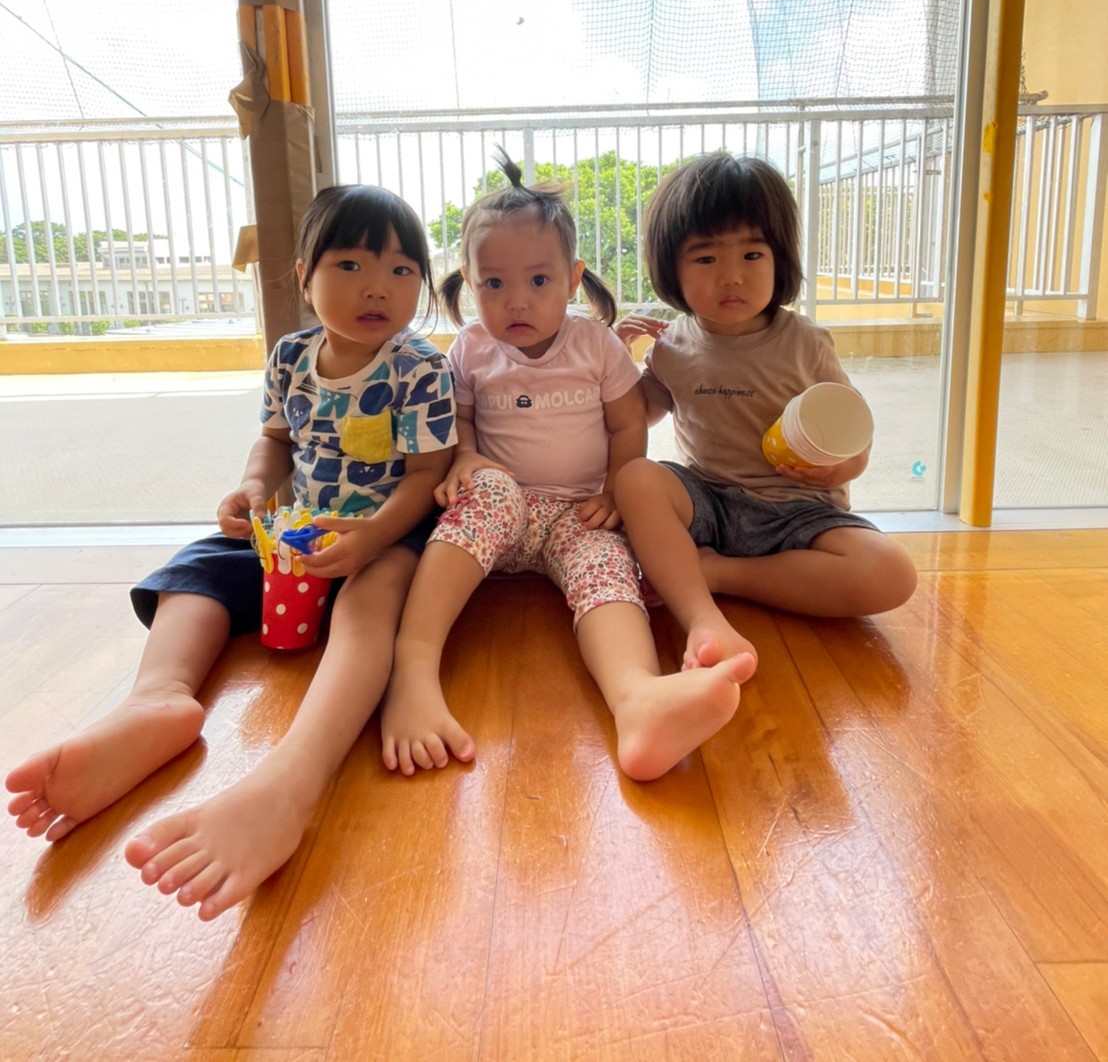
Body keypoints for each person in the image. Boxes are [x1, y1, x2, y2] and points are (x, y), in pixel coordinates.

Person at [6, 185, 456, 920]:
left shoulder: (420, 368)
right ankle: (157, 701)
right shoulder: (291, 357)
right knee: (196, 570)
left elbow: (426, 475)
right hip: (296, 530)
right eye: (350, 264)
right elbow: (276, 442)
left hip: (387, 535)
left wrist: (372, 536)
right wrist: (252, 489)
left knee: (370, 607)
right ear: (304, 276)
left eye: (402, 270)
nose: (378, 286)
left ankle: (291, 778)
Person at [381, 152, 755, 784]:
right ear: (470, 283)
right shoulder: (471, 347)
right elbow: (462, 419)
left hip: (577, 512)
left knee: (607, 567)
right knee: (489, 490)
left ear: (573, 278)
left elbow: (627, 424)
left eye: (538, 280)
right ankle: (411, 673)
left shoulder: (594, 344)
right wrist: (467, 456)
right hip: (499, 510)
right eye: (493, 284)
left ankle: (637, 700)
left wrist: (615, 490)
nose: (516, 300)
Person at [614, 153, 917, 677]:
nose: (731, 276)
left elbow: (853, 433)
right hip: (710, 502)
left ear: (781, 258)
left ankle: (717, 574)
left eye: (752, 254)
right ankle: (702, 616)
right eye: (706, 259)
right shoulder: (671, 348)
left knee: (892, 573)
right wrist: (614, 362)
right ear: (671, 269)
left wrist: (839, 469)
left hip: (800, 510)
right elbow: (638, 416)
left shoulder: (806, 343)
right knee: (637, 477)